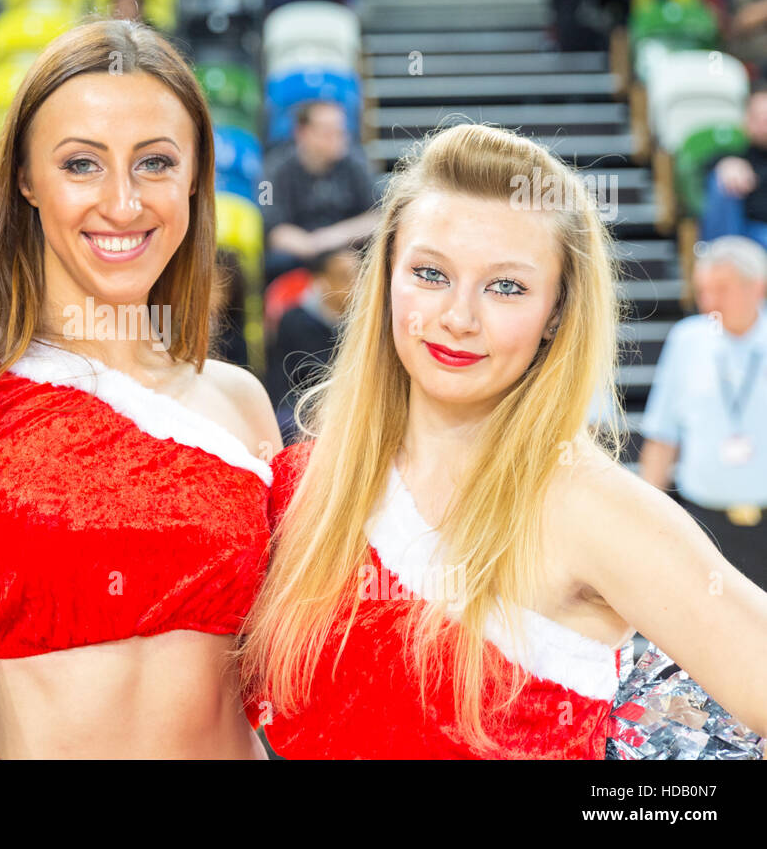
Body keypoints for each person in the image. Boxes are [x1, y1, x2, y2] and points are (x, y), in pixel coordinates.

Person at [241, 123, 767, 758]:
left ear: (556, 313)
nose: (458, 317)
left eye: (506, 287)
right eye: (430, 273)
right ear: (385, 278)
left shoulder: (589, 508)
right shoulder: (306, 483)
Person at [0, 18, 283, 759]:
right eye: (81, 164)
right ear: (23, 176)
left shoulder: (239, 403)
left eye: (156, 163)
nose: (122, 202)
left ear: (197, 175)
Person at [639, 236, 767, 590]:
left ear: (757, 287)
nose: (709, 302)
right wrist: (646, 519)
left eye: (721, 290)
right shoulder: (688, 339)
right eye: (703, 290)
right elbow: (663, 435)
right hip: (705, 525)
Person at [261, 99, 377, 283]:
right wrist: (310, 245)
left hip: (344, 246)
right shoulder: (274, 168)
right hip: (297, 252)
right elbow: (270, 225)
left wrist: (331, 238)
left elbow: (376, 215)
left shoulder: (355, 163)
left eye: (341, 131)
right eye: (328, 132)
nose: (338, 138)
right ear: (302, 133)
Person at [266, 246, 358, 441]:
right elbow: (313, 375)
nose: (356, 285)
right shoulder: (295, 319)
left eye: (360, 276)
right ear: (322, 282)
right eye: (346, 278)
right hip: (299, 408)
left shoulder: (364, 321)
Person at [704, 83, 767, 247]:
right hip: (748, 233)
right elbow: (706, 165)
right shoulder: (738, 154)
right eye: (758, 117)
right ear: (746, 120)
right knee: (721, 181)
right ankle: (723, 260)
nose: (763, 123)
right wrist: (725, 165)